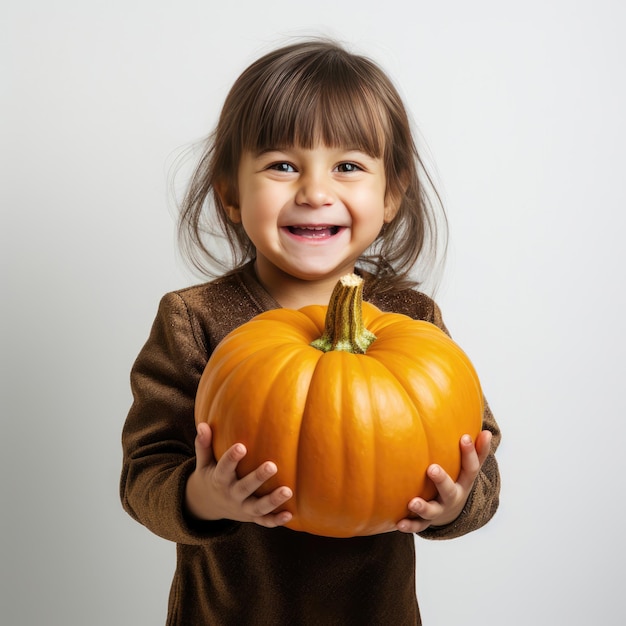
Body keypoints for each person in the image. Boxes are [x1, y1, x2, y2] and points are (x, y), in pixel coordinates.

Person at [120, 38, 501, 625]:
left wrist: (453, 504)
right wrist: (205, 497)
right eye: (282, 165)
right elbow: (145, 474)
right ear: (229, 191)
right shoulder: (193, 318)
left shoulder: (411, 319)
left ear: (391, 193)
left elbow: (479, 459)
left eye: (348, 166)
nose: (315, 192)